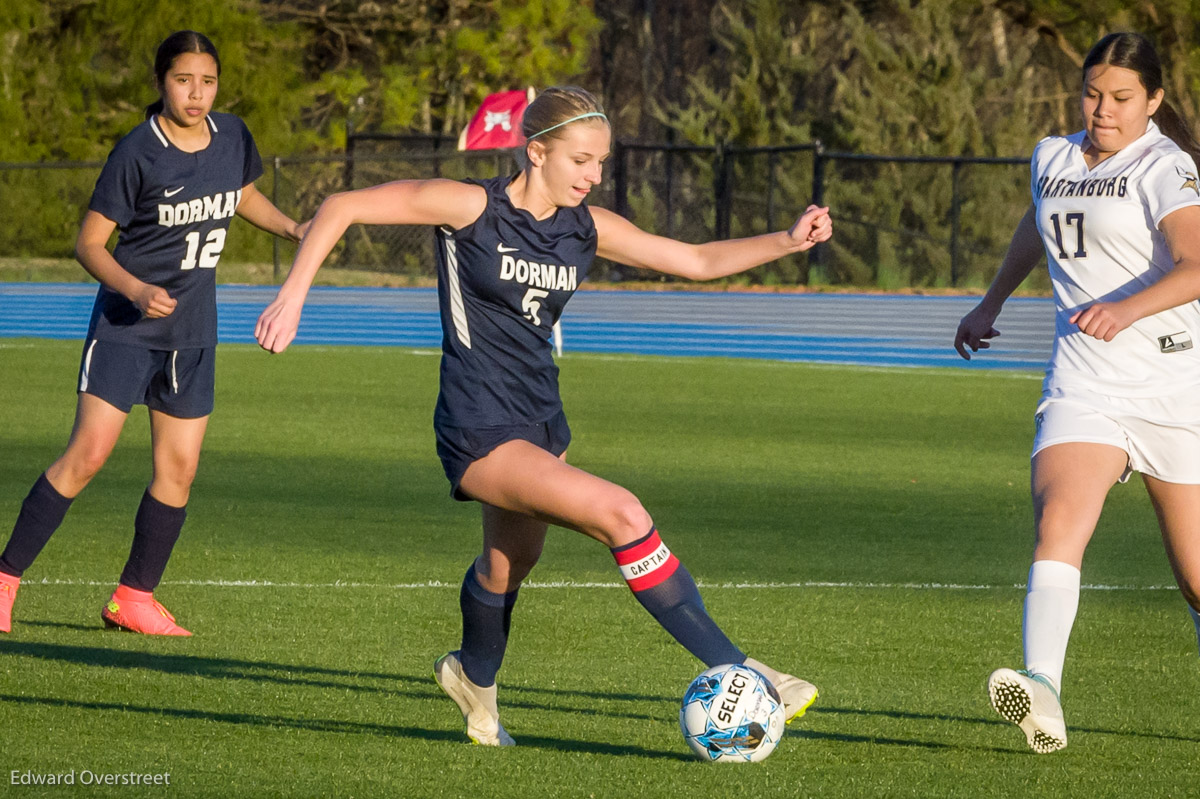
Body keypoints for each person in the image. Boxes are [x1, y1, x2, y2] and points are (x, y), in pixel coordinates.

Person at [255, 86, 833, 746]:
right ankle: (748, 670)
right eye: (582, 160)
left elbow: (695, 260)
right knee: (624, 513)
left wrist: (787, 242)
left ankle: (473, 676)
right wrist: (292, 296)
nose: (593, 174)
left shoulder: (586, 228)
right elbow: (344, 205)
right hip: (477, 424)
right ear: (537, 151)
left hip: (541, 421)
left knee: (507, 566)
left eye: (601, 162)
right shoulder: (470, 207)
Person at [0, 31, 307, 637]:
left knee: (179, 470)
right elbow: (88, 243)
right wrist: (136, 290)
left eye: (208, 81)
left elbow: (243, 195)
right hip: (126, 330)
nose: (197, 93)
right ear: (161, 82)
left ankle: (134, 597)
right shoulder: (138, 151)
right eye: (183, 80)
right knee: (87, 457)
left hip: (193, 334)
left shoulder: (234, 137)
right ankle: (3, 579)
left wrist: (296, 226)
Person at [955, 32, 1200, 753]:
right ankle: (1043, 692)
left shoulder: (1165, 165)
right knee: (1060, 518)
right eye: (1093, 93)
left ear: (1152, 100)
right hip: (1083, 377)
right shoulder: (1052, 156)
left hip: (1171, 383)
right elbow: (1039, 222)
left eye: (1121, 98)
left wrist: (1126, 309)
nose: (1103, 109)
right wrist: (991, 301)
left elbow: (1195, 262)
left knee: (1194, 576)